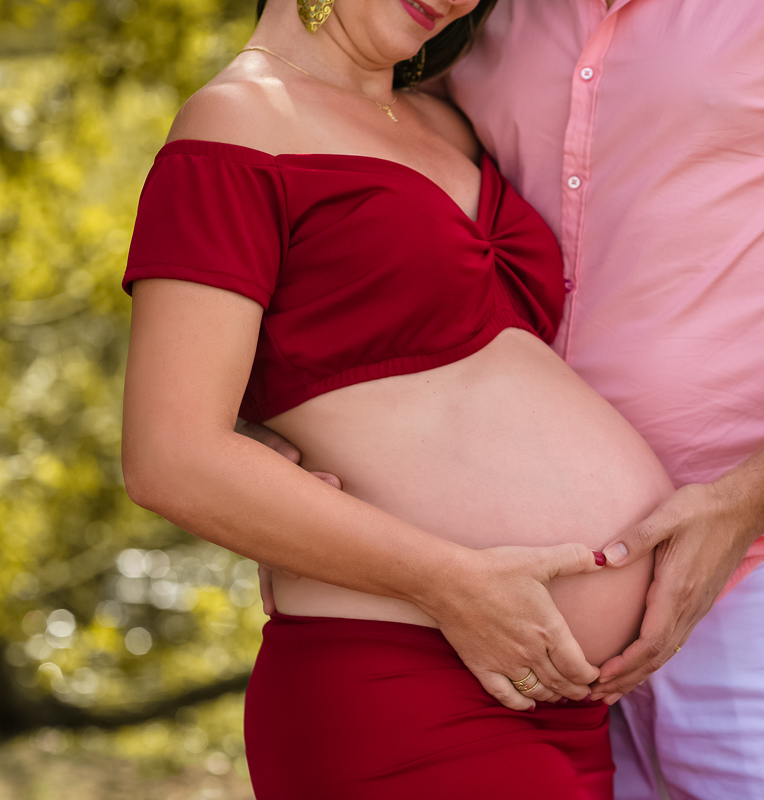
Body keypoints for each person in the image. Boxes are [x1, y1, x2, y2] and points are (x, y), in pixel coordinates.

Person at [254, 0, 764, 796]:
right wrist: (299, 433)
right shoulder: (471, 7)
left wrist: (745, 504)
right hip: (503, 616)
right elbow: (368, 217)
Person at [119, 0, 680, 796]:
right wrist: (450, 582)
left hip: (564, 700)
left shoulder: (451, 118)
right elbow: (169, 457)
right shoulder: (233, 121)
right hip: (402, 676)